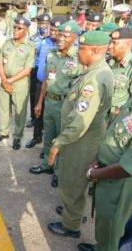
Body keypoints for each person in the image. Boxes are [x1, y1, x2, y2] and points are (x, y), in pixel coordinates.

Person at [78, 53, 132, 251]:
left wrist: (94, 174)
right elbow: (114, 132)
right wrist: (97, 159)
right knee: (105, 229)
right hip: (108, 175)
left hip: (122, 185)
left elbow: (128, 167)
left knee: (114, 233)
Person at [47, 31, 113, 238]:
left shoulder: (93, 80)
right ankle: (73, 213)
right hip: (83, 137)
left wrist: (59, 142)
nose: (78, 52)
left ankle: (71, 225)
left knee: (73, 180)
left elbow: (80, 121)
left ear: (94, 51)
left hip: (81, 139)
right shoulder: (95, 71)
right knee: (75, 181)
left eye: (82, 48)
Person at [29, 21, 83, 189]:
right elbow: (46, 79)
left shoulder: (79, 58)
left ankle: (59, 172)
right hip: (49, 102)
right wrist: (39, 102)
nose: (60, 38)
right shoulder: (51, 54)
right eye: (59, 34)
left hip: (66, 104)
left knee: (62, 139)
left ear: (75, 38)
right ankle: (47, 165)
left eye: (66, 36)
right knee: (48, 136)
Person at [0, 17, 35, 150]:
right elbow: (0, 62)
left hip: (20, 84)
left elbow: (27, 70)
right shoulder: (6, 43)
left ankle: (17, 136)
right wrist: (4, 80)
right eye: (15, 27)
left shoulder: (29, 48)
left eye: (19, 28)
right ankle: (4, 133)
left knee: (19, 112)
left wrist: (8, 81)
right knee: (4, 109)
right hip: (5, 80)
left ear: (26, 30)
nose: (15, 30)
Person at [26, 17, 66, 149]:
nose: (54, 32)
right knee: (38, 111)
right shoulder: (43, 42)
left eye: (57, 31)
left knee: (54, 119)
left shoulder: (65, 46)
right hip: (41, 83)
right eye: (52, 29)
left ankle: (51, 146)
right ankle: (36, 137)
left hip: (57, 87)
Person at [27, 14, 52, 130]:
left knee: (45, 95)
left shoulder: (52, 38)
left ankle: (43, 118)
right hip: (34, 68)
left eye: (46, 24)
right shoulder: (33, 38)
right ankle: (33, 117)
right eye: (41, 24)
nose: (43, 26)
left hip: (48, 69)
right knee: (33, 94)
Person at [108, 28, 132, 120]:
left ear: (128, 44)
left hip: (115, 117)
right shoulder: (108, 61)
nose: (109, 46)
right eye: (110, 42)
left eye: (114, 43)